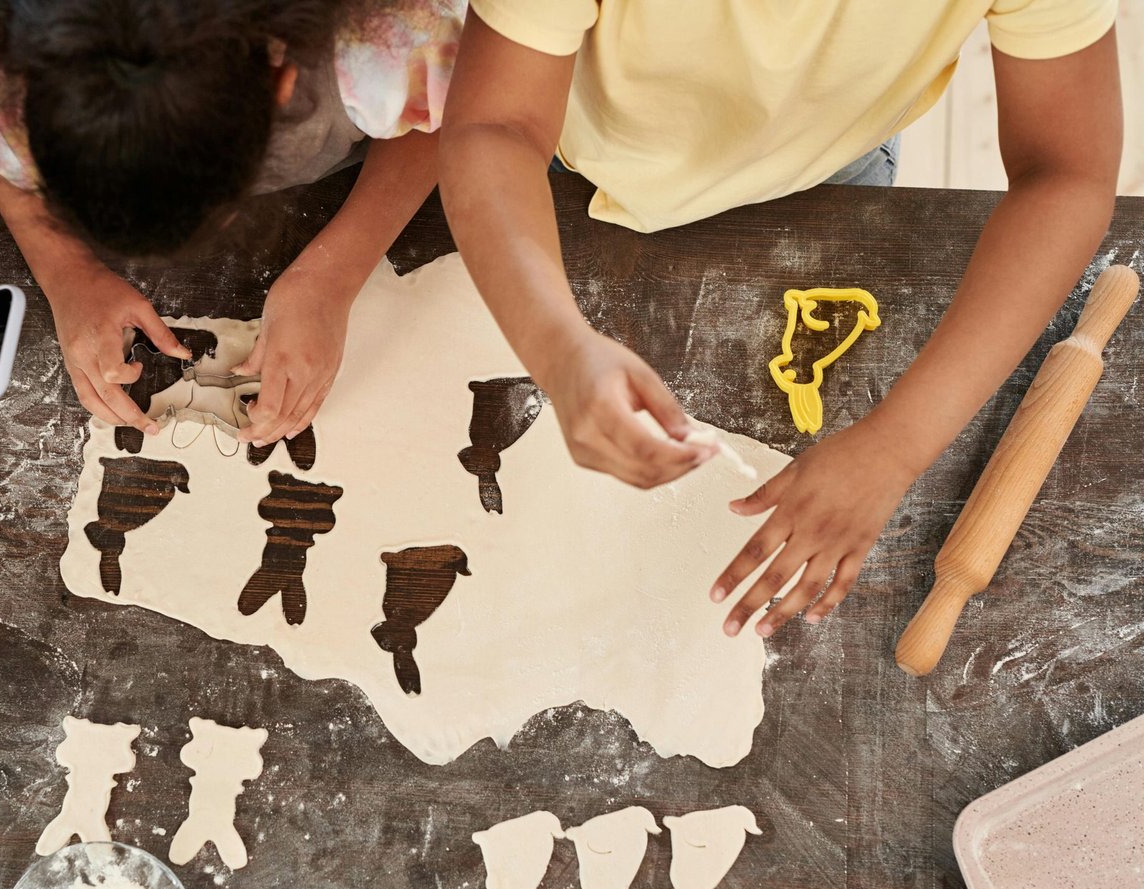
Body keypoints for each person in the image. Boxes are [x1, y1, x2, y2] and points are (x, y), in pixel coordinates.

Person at [439, 1, 1122, 636]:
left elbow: (1067, 169)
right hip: (571, 161)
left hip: (829, 171)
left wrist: (896, 445)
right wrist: (557, 346)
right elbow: (497, 122)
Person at [0, 0, 465, 449]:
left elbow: (464, 115)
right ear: (13, 87)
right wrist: (64, 268)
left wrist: (335, 272)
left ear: (283, 81)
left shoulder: (398, 36)